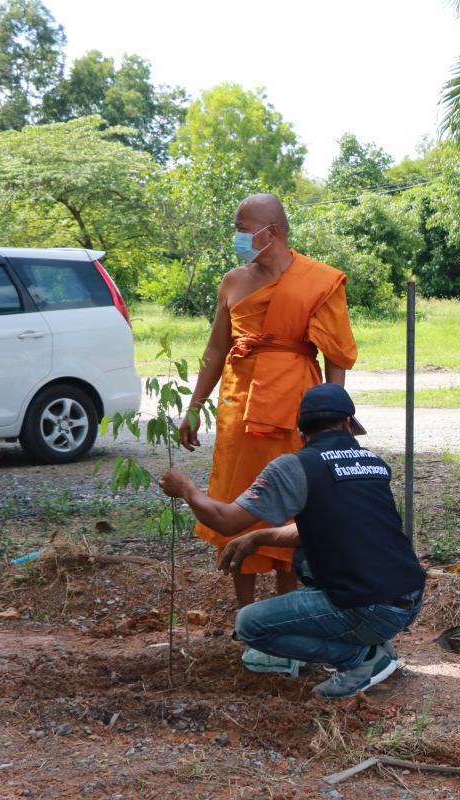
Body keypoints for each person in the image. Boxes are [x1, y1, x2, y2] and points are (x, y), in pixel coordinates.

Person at [160, 383, 426, 697]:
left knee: (250, 625)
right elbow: (339, 526)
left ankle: (359, 658)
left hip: (372, 608)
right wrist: (261, 537)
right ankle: (371, 639)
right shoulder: (372, 462)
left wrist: (187, 489)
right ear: (347, 424)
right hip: (409, 598)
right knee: (304, 560)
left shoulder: (295, 466)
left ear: (300, 433)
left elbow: (225, 520)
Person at [180, 193, 359, 609]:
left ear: (272, 231)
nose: (237, 238)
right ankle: (244, 614)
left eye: (243, 229)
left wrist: (336, 418)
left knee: (292, 498)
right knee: (237, 496)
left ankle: (286, 607)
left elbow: (335, 355)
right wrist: (194, 406)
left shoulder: (319, 280)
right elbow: (215, 350)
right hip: (238, 404)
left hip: (294, 402)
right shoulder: (233, 281)